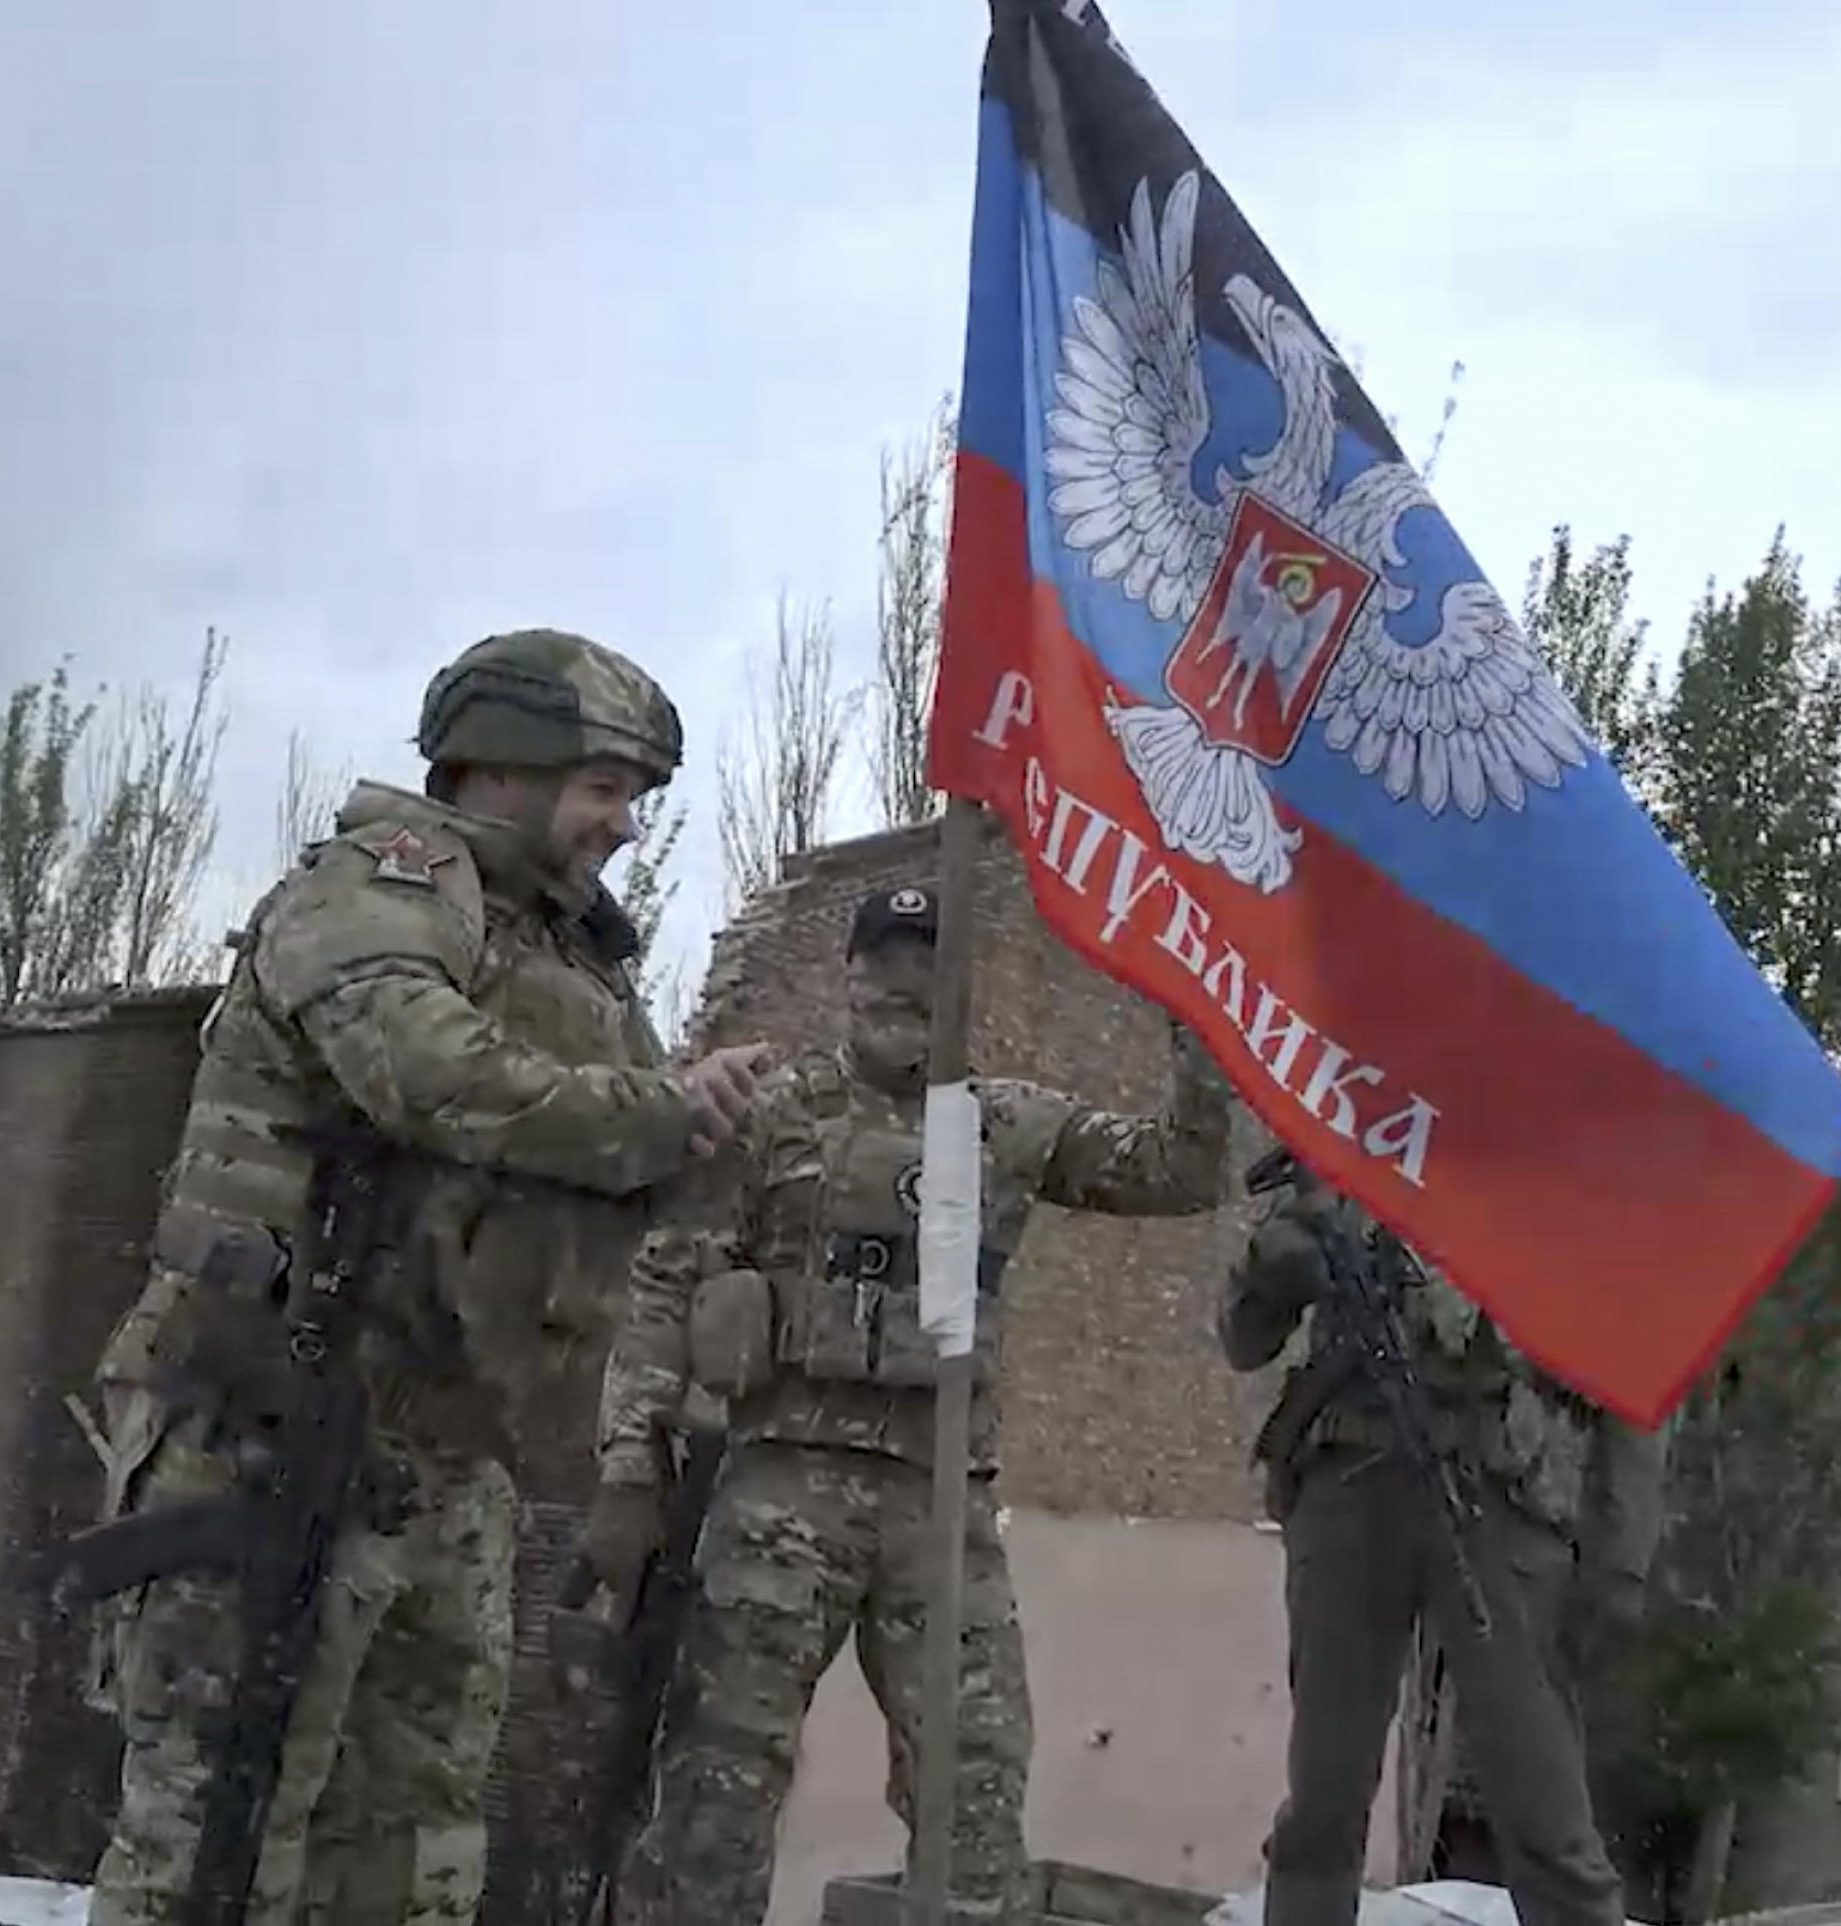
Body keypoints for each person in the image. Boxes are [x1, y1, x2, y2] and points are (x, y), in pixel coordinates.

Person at [81, 627, 771, 1926]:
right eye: (605, 787)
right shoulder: (374, 888)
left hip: (451, 1451)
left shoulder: (577, 961)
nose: (623, 825)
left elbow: (624, 1150)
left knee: (414, 1840)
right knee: (219, 1837)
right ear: (506, 767)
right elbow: (433, 1074)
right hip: (275, 1423)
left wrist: (709, 1121)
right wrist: (657, 1113)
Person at [591, 881, 1235, 1926]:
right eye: (885, 961)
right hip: (783, 1489)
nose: (904, 981)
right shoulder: (771, 1113)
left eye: (929, 961)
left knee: (975, 1790)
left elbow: (1182, 1169)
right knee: (717, 1790)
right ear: (849, 977)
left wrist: (1193, 1018)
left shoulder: (1010, 1125)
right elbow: (665, 1285)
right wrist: (629, 1465)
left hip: (941, 1501)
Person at [1222, 1149, 1666, 1926]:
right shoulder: (1360, 1142)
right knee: (1323, 1801)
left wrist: (1622, 1558)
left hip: (1498, 1500)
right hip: (1352, 1484)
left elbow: (1635, 1373)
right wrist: (1279, 1259)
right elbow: (1243, 1338)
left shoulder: (1570, 1171)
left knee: (1542, 1805)